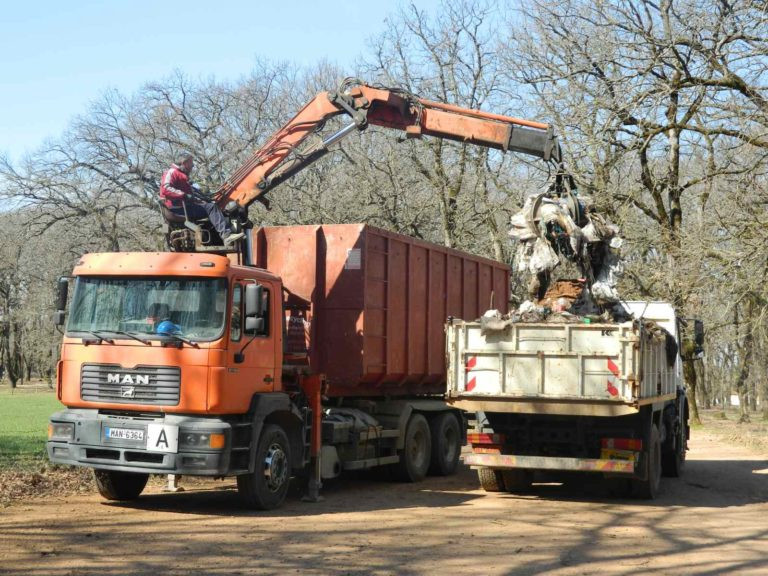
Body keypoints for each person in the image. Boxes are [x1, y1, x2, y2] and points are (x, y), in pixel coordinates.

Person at [159, 152, 244, 246]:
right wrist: (185, 195)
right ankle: (227, 236)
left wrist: (199, 201)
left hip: (182, 207)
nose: (193, 166)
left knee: (212, 206)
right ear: (184, 162)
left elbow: (190, 196)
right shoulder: (172, 172)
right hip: (177, 210)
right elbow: (165, 188)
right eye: (191, 163)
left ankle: (231, 234)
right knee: (211, 208)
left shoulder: (181, 175)